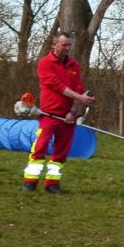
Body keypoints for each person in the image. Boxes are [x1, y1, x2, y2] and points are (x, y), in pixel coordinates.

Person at [22, 32, 95, 194]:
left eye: (69, 45)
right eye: (64, 45)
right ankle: (30, 182)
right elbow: (56, 85)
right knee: (40, 146)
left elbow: (78, 88)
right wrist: (80, 97)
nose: (68, 48)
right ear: (54, 45)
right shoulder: (44, 63)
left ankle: (52, 184)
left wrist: (73, 111)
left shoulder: (74, 65)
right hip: (49, 114)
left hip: (68, 117)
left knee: (61, 150)